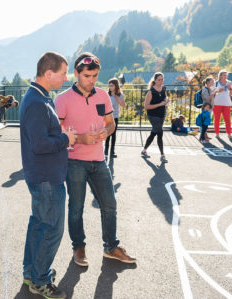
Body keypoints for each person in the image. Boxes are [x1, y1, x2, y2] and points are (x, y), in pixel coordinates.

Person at [55, 52, 136, 269]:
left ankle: (111, 247)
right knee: (76, 208)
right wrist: (80, 138)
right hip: (74, 162)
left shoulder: (102, 96)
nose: (92, 80)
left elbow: (111, 123)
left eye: (95, 75)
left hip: (99, 161)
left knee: (110, 205)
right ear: (76, 73)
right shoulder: (62, 100)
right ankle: (78, 247)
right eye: (88, 75)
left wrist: (106, 132)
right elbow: (56, 134)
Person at [20, 51, 76, 299]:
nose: (66, 77)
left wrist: (61, 136)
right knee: (51, 229)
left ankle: (32, 272)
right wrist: (66, 138)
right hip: (46, 178)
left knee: (39, 224)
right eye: (63, 73)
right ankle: (40, 279)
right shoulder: (36, 102)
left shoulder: (39, 97)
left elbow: (41, 137)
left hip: (43, 175)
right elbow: (40, 144)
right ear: (49, 73)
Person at [141, 72, 169, 163]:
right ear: (155, 80)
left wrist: (166, 101)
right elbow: (146, 106)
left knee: (154, 132)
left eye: (162, 80)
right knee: (160, 132)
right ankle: (162, 155)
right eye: (159, 80)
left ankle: (144, 150)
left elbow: (165, 98)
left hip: (162, 114)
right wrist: (160, 104)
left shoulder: (164, 88)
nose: (160, 81)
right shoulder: (151, 91)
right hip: (153, 115)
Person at [105, 78, 126, 158]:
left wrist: (117, 98)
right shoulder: (107, 94)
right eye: (109, 86)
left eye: (112, 86)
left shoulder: (120, 95)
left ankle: (112, 151)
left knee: (113, 134)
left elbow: (123, 105)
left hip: (115, 117)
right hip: (107, 117)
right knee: (107, 133)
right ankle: (106, 151)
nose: (110, 87)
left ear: (116, 86)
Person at [213, 70, 232, 139]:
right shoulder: (216, 83)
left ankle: (229, 134)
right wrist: (217, 91)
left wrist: (230, 88)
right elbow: (211, 92)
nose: (225, 76)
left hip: (227, 104)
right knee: (217, 119)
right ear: (220, 76)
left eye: (226, 75)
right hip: (217, 104)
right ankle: (217, 134)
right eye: (224, 75)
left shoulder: (229, 83)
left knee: (227, 120)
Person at [201, 76, 216, 140]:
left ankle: (205, 135)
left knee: (206, 122)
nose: (213, 82)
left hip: (209, 107)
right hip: (206, 108)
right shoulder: (205, 89)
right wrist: (213, 93)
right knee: (205, 123)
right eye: (212, 81)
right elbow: (207, 99)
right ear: (207, 82)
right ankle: (203, 136)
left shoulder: (209, 89)